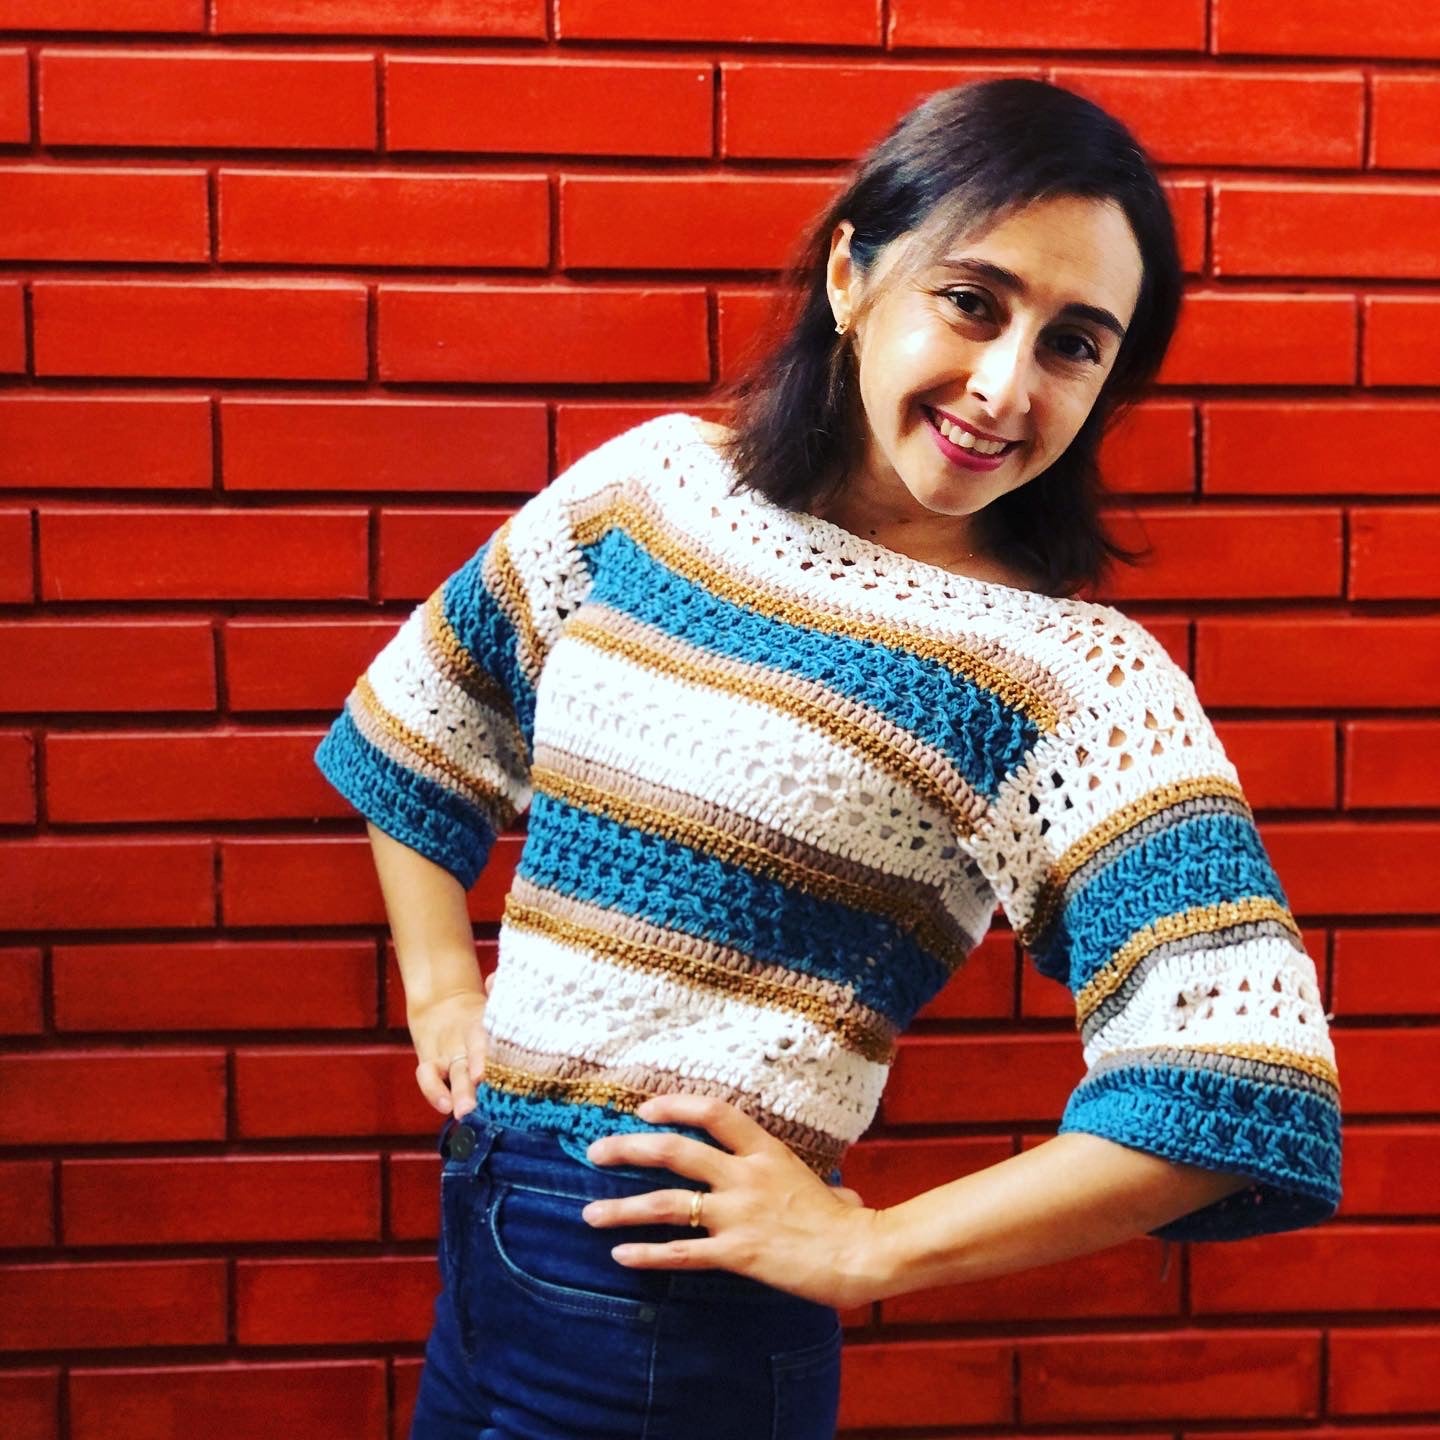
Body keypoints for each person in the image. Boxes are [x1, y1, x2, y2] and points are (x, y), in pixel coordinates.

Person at [313, 78, 1342, 1440]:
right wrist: (444, 988)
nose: (1005, 385)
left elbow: (1241, 1079)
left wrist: (872, 1247)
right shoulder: (657, 488)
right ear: (853, 276)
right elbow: (429, 709)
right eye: (972, 303)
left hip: (678, 1326)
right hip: (484, 1243)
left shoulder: (1066, 677)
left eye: (1072, 345)